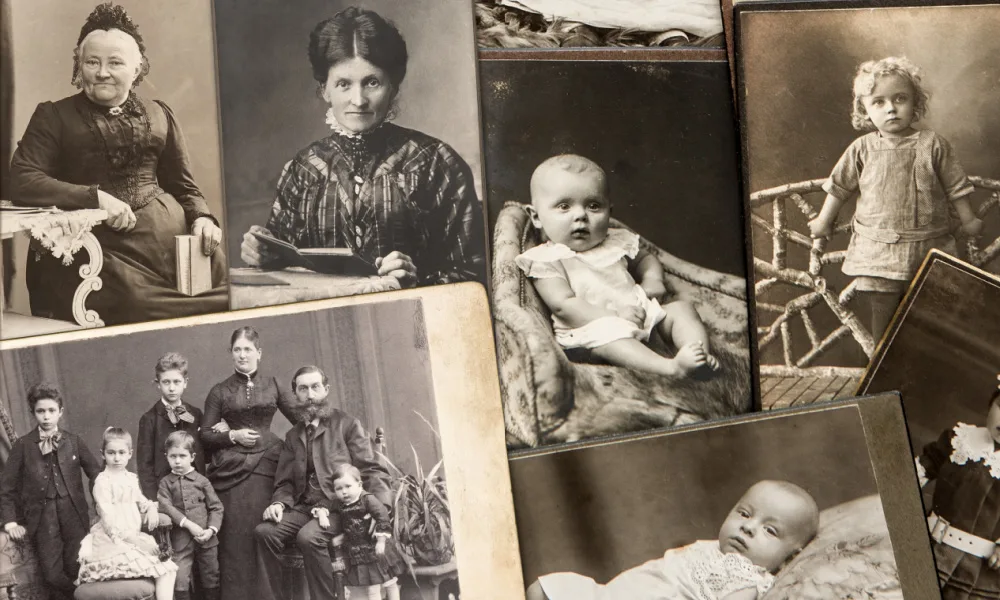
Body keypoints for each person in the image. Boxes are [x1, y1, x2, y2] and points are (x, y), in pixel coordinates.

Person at [8, 2, 228, 326]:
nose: (102, 72)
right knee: (135, 304)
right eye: (92, 62)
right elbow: (20, 179)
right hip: (99, 252)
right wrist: (95, 198)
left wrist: (203, 219)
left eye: (115, 63)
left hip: (173, 250)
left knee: (228, 290)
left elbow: (184, 186)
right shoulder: (54, 116)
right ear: (78, 65)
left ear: (137, 69)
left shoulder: (159, 113)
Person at [239, 6, 485, 289]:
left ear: (393, 86)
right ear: (324, 90)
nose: (358, 100)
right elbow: (283, 263)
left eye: (371, 82)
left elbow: (473, 272)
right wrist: (262, 253)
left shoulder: (436, 162)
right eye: (344, 84)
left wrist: (419, 280)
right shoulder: (302, 169)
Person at [807, 56, 983, 339]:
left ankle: (925, 375)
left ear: (915, 103)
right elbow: (839, 187)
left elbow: (956, 187)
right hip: (879, 252)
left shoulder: (933, 144)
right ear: (864, 109)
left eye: (900, 98)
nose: (891, 108)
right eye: (879, 102)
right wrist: (824, 221)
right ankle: (884, 375)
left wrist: (969, 219)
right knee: (884, 320)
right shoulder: (861, 148)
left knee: (930, 319)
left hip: (929, 247)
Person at [516, 154, 720, 377]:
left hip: (637, 311)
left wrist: (653, 279)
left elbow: (645, 259)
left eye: (593, 206)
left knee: (681, 309)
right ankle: (671, 368)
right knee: (612, 339)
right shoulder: (546, 259)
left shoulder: (615, 241)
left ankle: (699, 355)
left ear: (609, 212)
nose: (581, 216)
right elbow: (563, 305)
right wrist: (614, 315)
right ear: (536, 217)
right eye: (564, 206)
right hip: (591, 328)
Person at [526, 480, 820, 600]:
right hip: (607, 595)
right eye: (744, 513)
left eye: (770, 530)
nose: (748, 528)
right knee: (542, 589)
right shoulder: (713, 549)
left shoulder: (749, 580)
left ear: (791, 557)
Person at [254, 365, 391, 600]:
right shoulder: (292, 436)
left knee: (308, 537)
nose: (310, 395)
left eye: (315, 387)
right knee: (264, 532)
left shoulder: (347, 424)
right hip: (303, 506)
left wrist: (381, 509)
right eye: (303, 389)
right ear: (295, 394)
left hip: (340, 506)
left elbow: (371, 468)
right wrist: (279, 503)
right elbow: (285, 482)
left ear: (326, 390)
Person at [200, 326, 295, 600]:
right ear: (231, 354)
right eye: (237, 349)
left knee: (263, 534)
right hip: (231, 473)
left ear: (259, 353)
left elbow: (300, 421)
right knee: (236, 541)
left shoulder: (273, 384)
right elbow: (205, 434)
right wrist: (232, 435)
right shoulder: (220, 391)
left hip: (268, 467)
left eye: (248, 349)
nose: (242, 355)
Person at [0, 383, 102, 600]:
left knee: (77, 568)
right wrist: (10, 522)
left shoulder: (74, 442)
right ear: (32, 413)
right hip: (42, 519)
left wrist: (101, 506)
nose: (46, 416)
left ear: (60, 412)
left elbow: (98, 476)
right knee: (52, 575)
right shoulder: (23, 445)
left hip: (74, 516)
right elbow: (6, 488)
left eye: (51, 411)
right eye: (40, 411)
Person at [916, 385, 1000, 599]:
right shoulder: (960, 438)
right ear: (991, 404)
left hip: (977, 572)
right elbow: (922, 468)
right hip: (928, 546)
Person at [75, 427, 177, 600]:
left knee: (169, 569)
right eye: (111, 453)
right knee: (163, 569)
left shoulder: (130, 478)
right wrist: (135, 541)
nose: (116, 458)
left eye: (122, 452)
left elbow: (141, 501)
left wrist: (151, 508)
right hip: (112, 540)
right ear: (103, 454)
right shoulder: (102, 482)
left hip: (133, 536)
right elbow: (109, 520)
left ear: (130, 454)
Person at [313, 463, 404, 600]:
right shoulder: (339, 503)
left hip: (377, 547)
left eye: (348, 486)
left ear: (359, 485)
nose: (344, 492)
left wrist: (381, 541)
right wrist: (321, 514)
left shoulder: (367, 499)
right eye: (339, 488)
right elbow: (324, 505)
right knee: (372, 586)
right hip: (359, 552)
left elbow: (382, 515)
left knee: (390, 581)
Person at [158, 431, 223, 600]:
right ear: (166, 457)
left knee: (211, 575)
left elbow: (216, 507)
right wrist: (187, 524)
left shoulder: (202, 481)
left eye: (182, 456)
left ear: (192, 457)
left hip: (206, 538)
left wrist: (211, 530)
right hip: (180, 539)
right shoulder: (166, 482)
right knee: (180, 578)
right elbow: (165, 506)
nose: (177, 461)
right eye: (173, 456)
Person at [138, 352, 205, 500]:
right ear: (158, 384)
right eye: (166, 382)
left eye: (177, 382)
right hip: (165, 492)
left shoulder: (195, 414)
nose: (172, 388)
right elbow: (145, 466)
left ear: (185, 382)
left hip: (195, 491)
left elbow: (202, 453)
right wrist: (154, 499)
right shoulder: (149, 419)